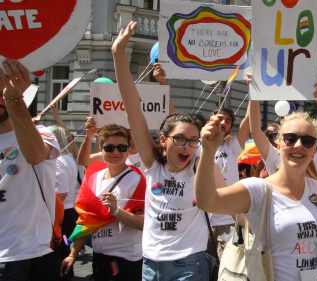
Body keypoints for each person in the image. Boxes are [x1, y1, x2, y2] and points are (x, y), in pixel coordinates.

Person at [113, 21, 216, 281]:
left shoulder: (197, 166)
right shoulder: (153, 165)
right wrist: (118, 54)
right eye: (180, 139)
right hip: (151, 265)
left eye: (194, 141)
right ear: (163, 141)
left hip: (189, 264)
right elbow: (132, 106)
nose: (188, 147)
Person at [195, 112, 317, 281]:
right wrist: (208, 151)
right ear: (279, 144)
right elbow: (207, 201)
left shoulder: (316, 189)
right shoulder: (258, 190)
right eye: (290, 138)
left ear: (314, 149)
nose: (298, 145)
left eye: (307, 141)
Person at [0, 61, 61, 281]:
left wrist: (15, 100)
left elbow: (35, 155)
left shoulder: (43, 133)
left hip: (35, 253)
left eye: (2, 92)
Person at [61, 124, 145, 281]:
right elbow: (86, 219)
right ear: (101, 148)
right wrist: (73, 254)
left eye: (121, 147)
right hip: (99, 256)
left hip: (126, 259)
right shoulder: (93, 177)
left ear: (128, 149)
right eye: (109, 148)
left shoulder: (138, 179)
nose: (116, 152)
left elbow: (143, 223)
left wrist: (116, 211)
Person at [209, 106, 249, 256]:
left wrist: (254, 92)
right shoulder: (198, 146)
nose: (224, 122)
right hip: (201, 222)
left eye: (228, 121)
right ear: (211, 119)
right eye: (220, 118)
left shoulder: (231, 146)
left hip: (228, 221)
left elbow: (247, 122)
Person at [46, 125, 79, 281]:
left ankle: (64, 275)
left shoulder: (58, 161)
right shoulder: (68, 158)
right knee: (65, 248)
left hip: (61, 214)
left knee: (60, 250)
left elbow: (61, 194)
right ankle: (67, 274)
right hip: (69, 211)